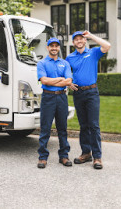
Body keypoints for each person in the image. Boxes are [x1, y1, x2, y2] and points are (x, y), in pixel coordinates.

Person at [66, 31, 111, 170]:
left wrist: (91, 36)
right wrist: (69, 83)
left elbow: (107, 45)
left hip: (92, 92)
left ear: (84, 41)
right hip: (78, 93)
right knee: (83, 125)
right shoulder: (70, 57)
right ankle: (86, 153)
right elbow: (66, 73)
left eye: (81, 39)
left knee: (94, 125)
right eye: (76, 40)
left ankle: (97, 157)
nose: (79, 41)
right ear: (73, 43)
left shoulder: (93, 53)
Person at [36, 38, 73, 169]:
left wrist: (58, 81)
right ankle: (42, 157)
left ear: (59, 48)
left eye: (56, 46)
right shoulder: (42, 63)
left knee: (62, 128)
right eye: (51, 46)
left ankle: (64, 156)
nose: (54, 48)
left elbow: (69, 81)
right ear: (47, 48)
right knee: (45, 128)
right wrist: (59, 79)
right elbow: (44, 81)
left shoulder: (65, 63)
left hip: (62, 98)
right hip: (48, 98)